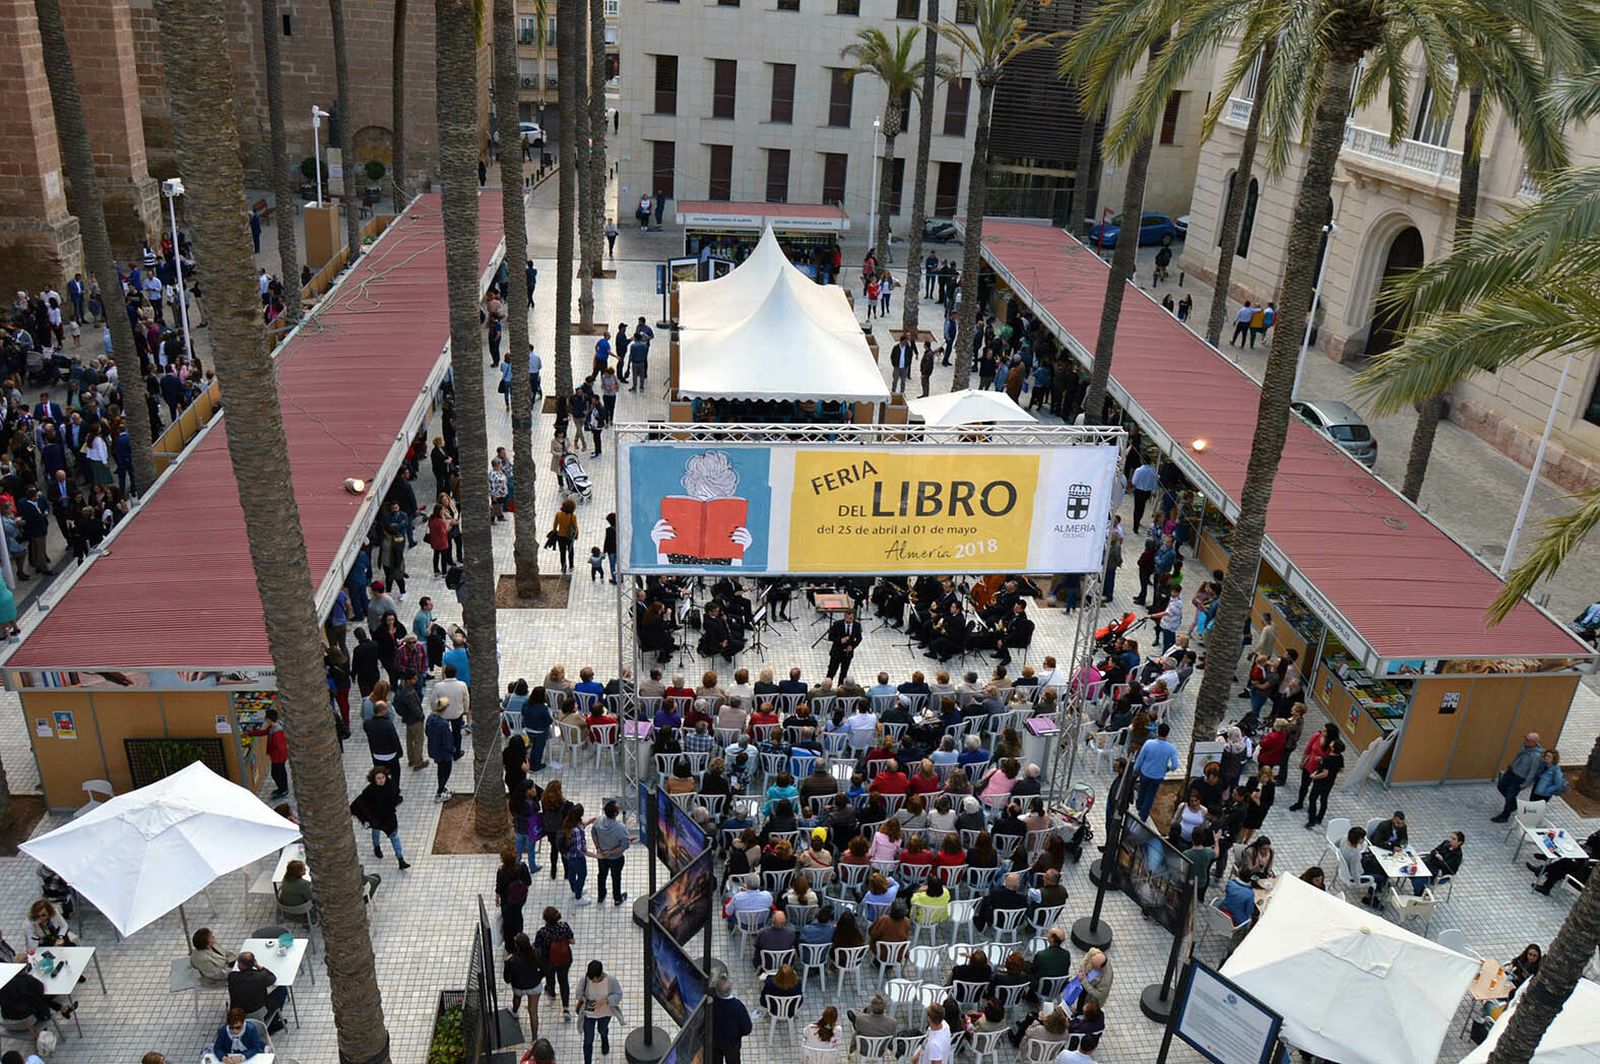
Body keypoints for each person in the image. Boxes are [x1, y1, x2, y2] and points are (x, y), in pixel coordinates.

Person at [350, 766, 410, 869]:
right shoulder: (370, 790)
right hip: (376, 818)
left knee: (394, 836)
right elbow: (360, 802)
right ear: (374, 779)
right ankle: (376, 847)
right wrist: (366, 818)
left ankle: (400, 859)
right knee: (376, 832)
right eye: (378, 778)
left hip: (389, 817)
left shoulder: (391, 785)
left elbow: (395, 796)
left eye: (383, 777)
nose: (381, 780)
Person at [576, 959, 623, 1064]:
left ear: (598, 977)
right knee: (588, 1040)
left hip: (605, 1013)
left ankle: (604, 1038)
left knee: (602, 1029)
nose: (591, 981)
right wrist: (583, 998)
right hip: (589, 1015)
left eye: (593, 979)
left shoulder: (611, 981)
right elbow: (578, 993)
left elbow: (618, 995)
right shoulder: (585, 979)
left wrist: (605, 1001)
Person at [228, 952, 288, 1032]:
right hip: (256, 1013)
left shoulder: (232, 977)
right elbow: (272, 978)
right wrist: (259, 967)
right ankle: (272, 1023)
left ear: (241, 965)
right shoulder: (260, 977)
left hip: (237, 1013)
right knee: (282, 990)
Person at [1132, 721, 1179, 820]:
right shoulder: (1171, 748)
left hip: (1145, 772)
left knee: (1142, 789)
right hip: (1157, 776)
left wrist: (1136, 768)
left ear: (1158, 732)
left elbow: (1140, 757)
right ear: (1167, 734)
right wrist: (1168, 768)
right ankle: (1143, 816)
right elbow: (1175, 765)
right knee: (1150, 795)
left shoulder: (1149, 743)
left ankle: (1139, 805)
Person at [503, 933, 544, 1042]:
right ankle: (534, 1038)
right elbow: (543, 968)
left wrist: (506, 964)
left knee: (517, 998)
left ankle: (515, 1011)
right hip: (534, 985)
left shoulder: (512, 960)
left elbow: (507, 979)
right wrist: (538, 978)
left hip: (519, 987)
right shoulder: (535, 954)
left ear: (517, 946)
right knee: (533, 1012)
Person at [1534, 826, 1600, 893]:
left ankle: (1545, 873)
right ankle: (1545, 869)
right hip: (1583, 854)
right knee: (1565, 860)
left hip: (1587, 864)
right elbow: (1590, 839)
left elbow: (1593, 846)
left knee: (1565, 863)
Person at [535, 907, 577, 1012]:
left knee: (550, 976)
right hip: (564, 958)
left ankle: (551, 991)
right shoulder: (564, 926)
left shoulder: (542, 932)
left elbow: (537, 946)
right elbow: (572, 941)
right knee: (563, 981)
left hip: (549, 960)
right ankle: (566, 1007)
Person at [592, 800, 631, 907]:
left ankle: (601, 895)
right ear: (615, 814)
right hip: (616, 858)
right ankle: (617, 898)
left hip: (601, 856)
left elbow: (593, 833)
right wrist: (611, 852)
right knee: (616, 877)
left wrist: (598, 847)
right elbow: (624, 845)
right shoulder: (620, 828)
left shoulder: (599, 821)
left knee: (602, 875)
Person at [710, 972, 753, 1064]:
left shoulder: (710, 1003)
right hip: (732, 1043)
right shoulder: (737, 1007)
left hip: (714, 1042)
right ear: (730, 989)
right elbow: (747, 1029)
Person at [1303, 737, 1345, 828]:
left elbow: (1324, 773)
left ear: (1333, 748)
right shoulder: (1340, 757)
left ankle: (1311, 820)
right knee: (1324, 799)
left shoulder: (1327, 759)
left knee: (1312, 799)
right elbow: (1341, 769)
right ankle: (1319, 818)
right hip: (1330, 782)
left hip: (1321, 782)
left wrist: (1314, 777)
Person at [497, 848, 534, 944]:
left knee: (508, 921)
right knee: (518, 916)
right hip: (520, 899)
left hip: (507, 902)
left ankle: (509, 944)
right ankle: (519, 939)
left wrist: (498, 898)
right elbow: (528, 882)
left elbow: (499, 888)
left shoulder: (501, 872)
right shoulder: (522, 867)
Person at [427, 695, 456, 801]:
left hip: (435, 749)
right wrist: (452, 750)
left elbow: (427, 732)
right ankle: (439, 792)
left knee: (440, 769)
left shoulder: (430, 718)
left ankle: (442, 788)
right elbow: (447, 741)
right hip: (444, 752)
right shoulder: (443, 724)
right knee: (446, 771)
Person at [826, 609, 861, 681]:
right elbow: (830, 637)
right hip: (836, 653)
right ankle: (827, 686)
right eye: (846, 617)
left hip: (848, 654)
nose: (848, 620)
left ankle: (840, 688)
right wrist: (840, 640)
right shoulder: (837, 624)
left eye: (850, 618)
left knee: (844, 673)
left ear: (854, 618)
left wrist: (852, 646)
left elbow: (859, 638)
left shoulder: (857, 625)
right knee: (831, 672)